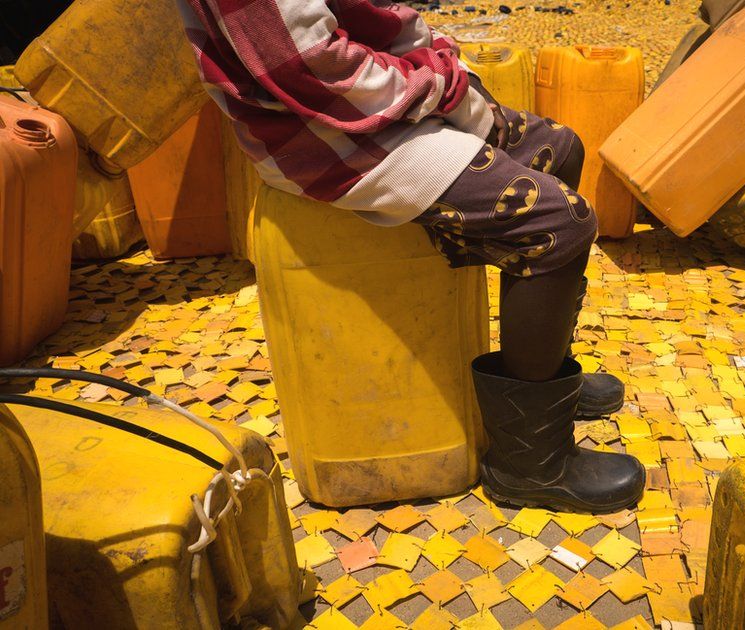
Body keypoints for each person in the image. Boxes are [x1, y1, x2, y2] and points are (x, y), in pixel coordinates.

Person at [178, 0, 644, 513]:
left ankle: (542, 385)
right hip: (319, 132)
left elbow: (383, 17)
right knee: (559, 224)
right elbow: (311, 67)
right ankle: (529, 464)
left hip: (382, 102)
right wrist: (444, 87)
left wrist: (448, 70)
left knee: (561, 148)